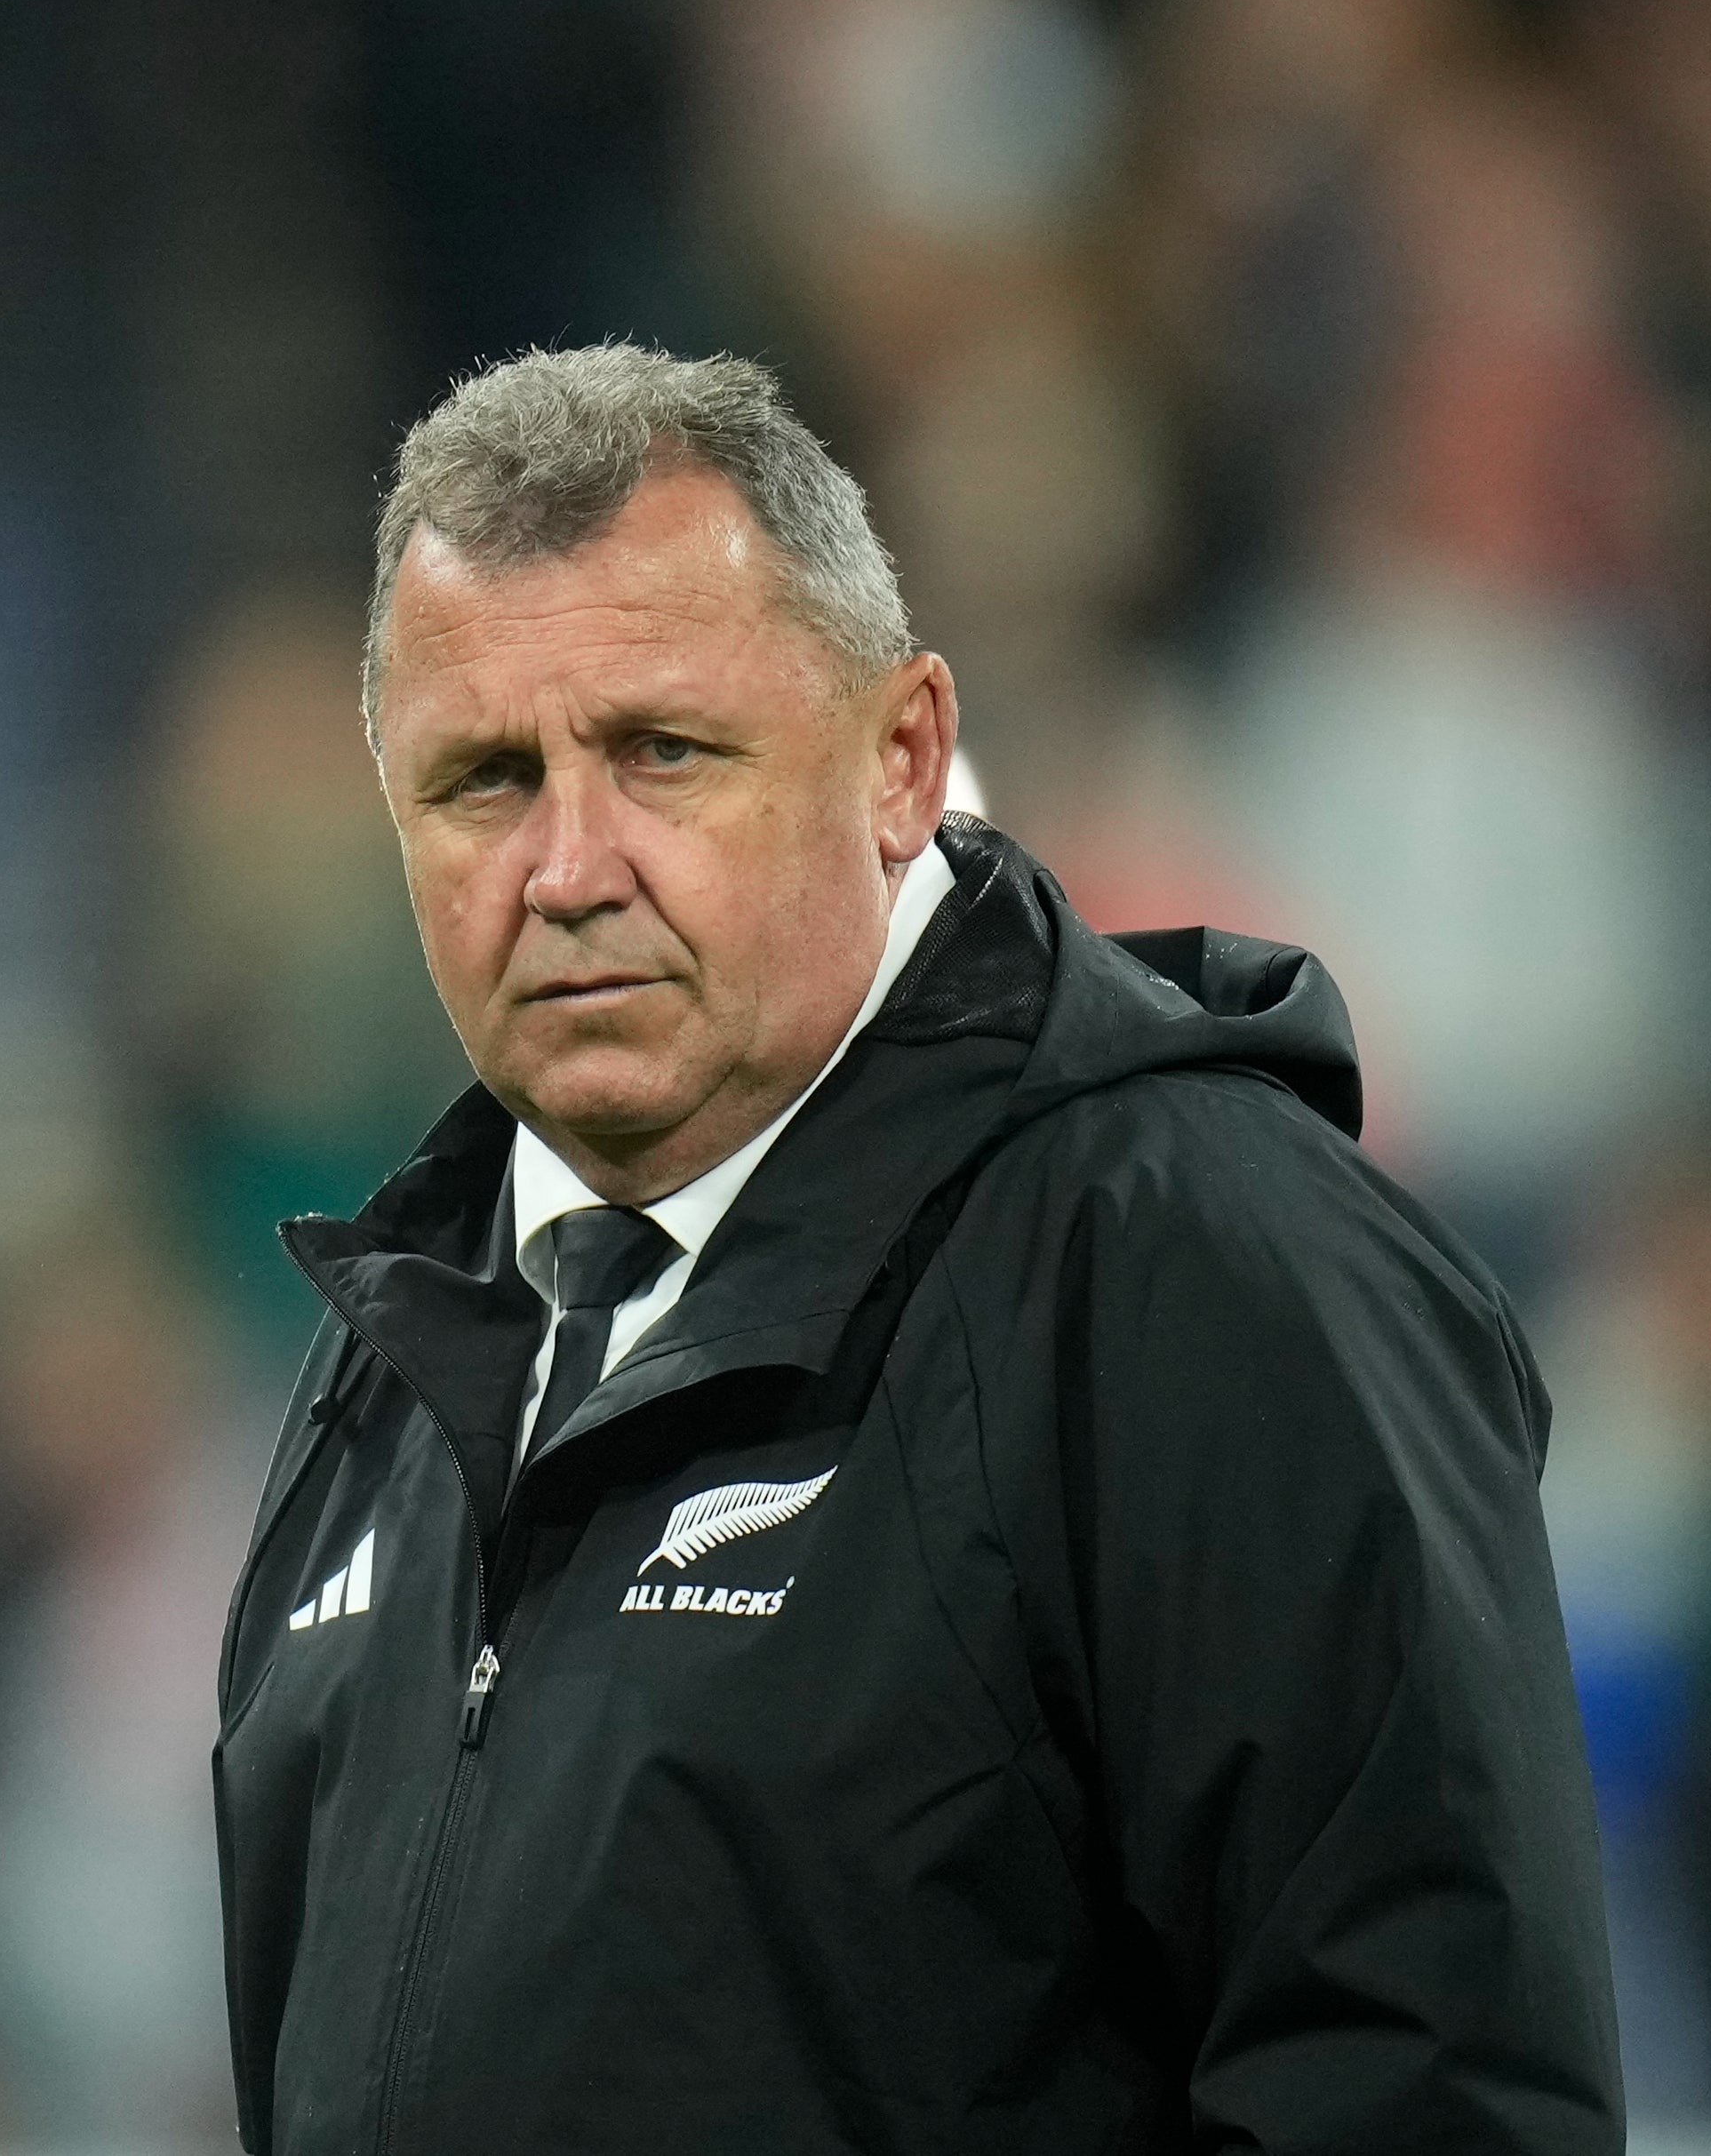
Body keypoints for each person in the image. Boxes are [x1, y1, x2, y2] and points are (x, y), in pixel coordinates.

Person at [210, 347, 1622, 2152]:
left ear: (902, 761)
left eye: (661, 751)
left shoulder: (1194, 1268)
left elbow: (1426, 2087)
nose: (567, 863)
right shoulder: (387, 1366)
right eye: (483, 779)